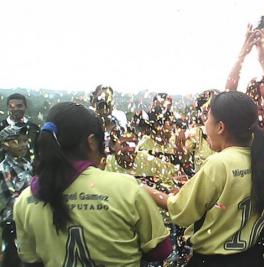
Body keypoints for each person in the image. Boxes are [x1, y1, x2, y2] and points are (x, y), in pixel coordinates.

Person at [13, 102, 172, 267]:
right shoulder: (126, 189)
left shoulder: (26, 200)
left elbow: (30, 260)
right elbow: (160, 251)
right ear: (92, 142)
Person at [146, 91, 264, 267]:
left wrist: (145, 190)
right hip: (251, 256)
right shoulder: (261, 158)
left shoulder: (219, 163)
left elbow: (181, 211)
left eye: (207, 118)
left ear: (220, 127)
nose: (204, 124)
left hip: (214, 260)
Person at [0, 125, 33, 267]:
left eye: (25, 140)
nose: (23, 145)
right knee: (14, 259)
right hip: (13, 223)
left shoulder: (28, 164)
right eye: (17, 141)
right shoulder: (3, 169)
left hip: (30, 220)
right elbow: (13, 198)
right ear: (5, 145)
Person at [0, 93, 40, 161]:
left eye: (19, 106)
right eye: (12, 107)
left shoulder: (34, 128)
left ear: (25, 107)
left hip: (29, 169)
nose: (16, 109)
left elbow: (38, 152)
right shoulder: (1, 127)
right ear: (8, 108)